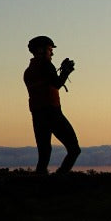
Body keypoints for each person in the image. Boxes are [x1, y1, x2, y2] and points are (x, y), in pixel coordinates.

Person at [24, 35, 81, 174]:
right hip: (53, 113)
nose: (52, 53)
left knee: (44, 155)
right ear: (40, 50)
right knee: (74, 149)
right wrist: (66, 71)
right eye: (50, 49)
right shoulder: (46, 65)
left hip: (37, 115)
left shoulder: (29, 71)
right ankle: (60, 178)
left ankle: (40, 185)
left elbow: (49, 83)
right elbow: (56, 84)